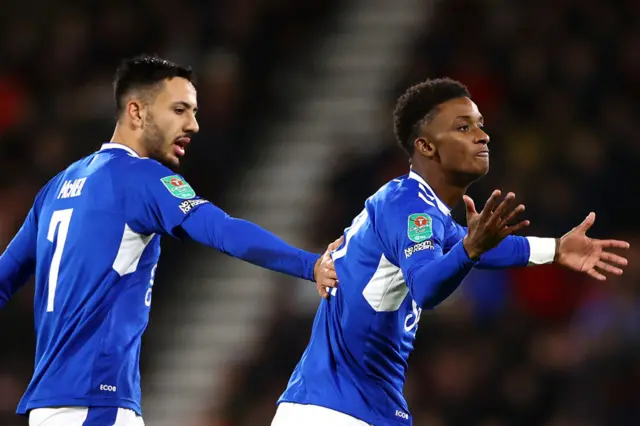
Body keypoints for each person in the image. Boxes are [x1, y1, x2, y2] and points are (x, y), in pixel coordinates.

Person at [0, 54, 340, 426]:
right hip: (96, 404)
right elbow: (223, 230)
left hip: (49, 407)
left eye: (193, 111)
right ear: (136, 112)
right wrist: (309, 264)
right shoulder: (141, 179)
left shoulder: (56, 188)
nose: (192, 124)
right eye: (179, 110)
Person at [272, 78, 630, 426]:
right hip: (335, 412)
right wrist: (471, 250)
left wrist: (555, 248)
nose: (482, 136)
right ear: (427, 146)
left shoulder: (416, 208)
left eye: (480, 125)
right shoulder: (409, 209)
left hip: (349, 408)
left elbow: (485, 249)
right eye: (463, 127)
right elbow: (426, 286)